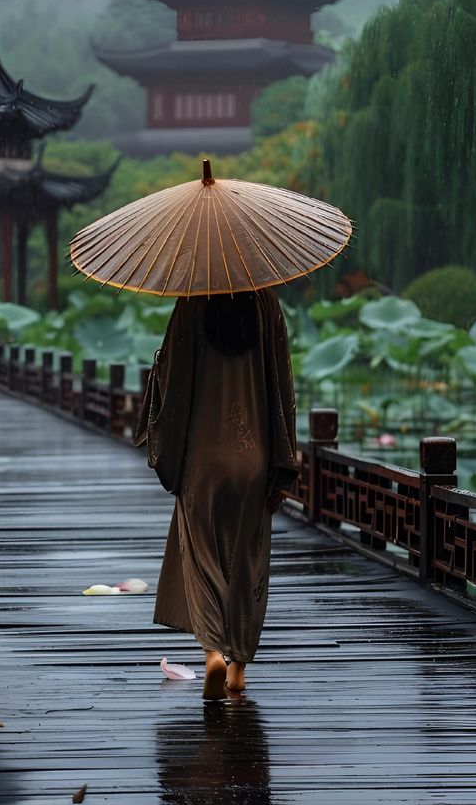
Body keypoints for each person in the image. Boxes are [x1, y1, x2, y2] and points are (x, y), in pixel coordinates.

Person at [135, 288, 299, 701]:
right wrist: (283, 467)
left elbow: (172, 385)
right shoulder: (265, 302)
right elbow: (282, 385)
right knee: (247, 560)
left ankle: (212, 653)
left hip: (203, 457)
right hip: (254, 455)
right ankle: (239, 666)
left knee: (203, 557)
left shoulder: (193, 299)